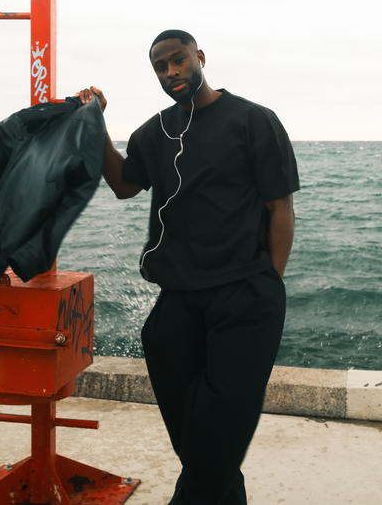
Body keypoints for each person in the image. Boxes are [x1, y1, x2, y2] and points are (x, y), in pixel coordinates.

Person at [77, 29, 300, 505]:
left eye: (178, 60)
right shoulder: (154, 131)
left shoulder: (253, 120)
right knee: (201, 442)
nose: (171, 71)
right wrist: (94, 125)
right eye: (160, 67)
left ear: (199, 56)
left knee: (216, 436)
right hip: (176, 300)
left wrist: (268, 285)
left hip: (244, 294)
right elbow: (123, 185)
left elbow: (280, 207)